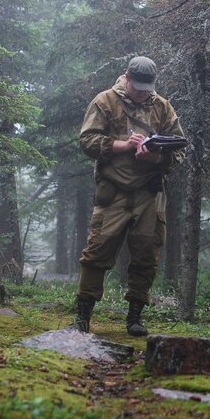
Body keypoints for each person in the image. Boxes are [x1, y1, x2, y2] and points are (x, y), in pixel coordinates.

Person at [74, 56, 185, 336]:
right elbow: (87, 141)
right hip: (114, 191)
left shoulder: (162, 107)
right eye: (137, 86)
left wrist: (156, 155)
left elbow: (179, 152)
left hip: (150, 193)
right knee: (97, 251)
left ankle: (135, 317)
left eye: (147, 87)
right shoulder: (105, 101)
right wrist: (122, 145)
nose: (142, 92)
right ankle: (82, 316)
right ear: (126, 77)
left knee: (147, 255)